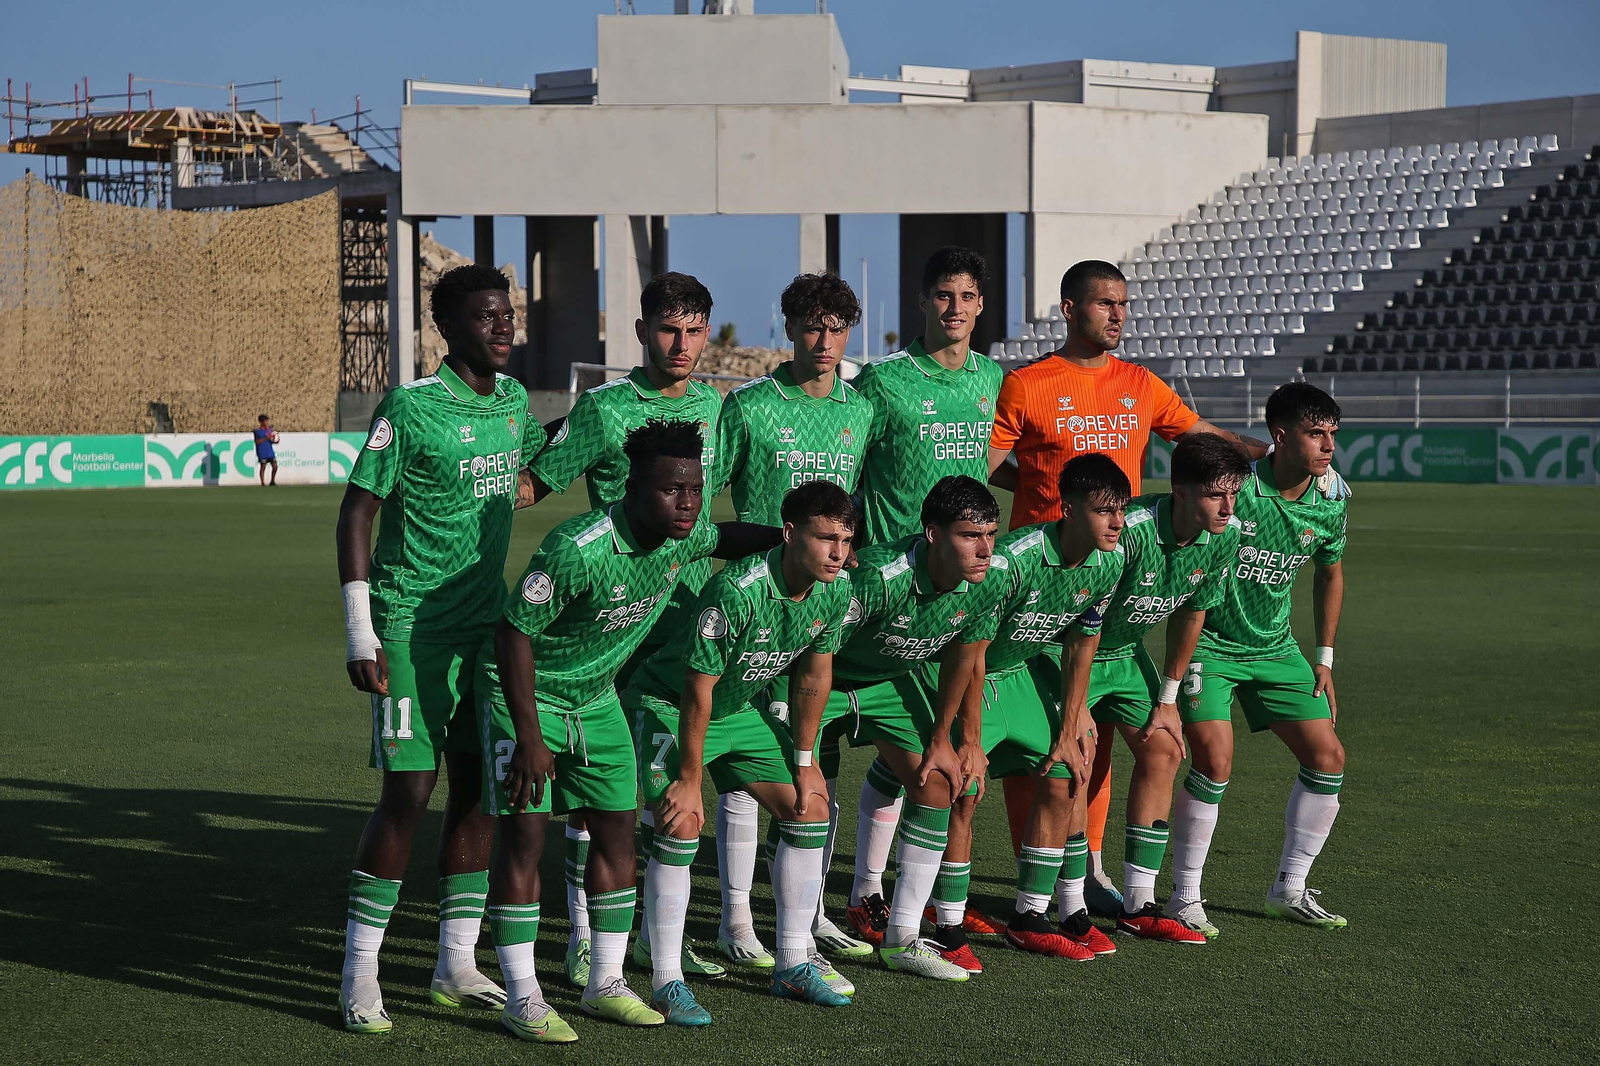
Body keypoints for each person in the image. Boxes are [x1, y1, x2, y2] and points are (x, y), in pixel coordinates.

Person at [479, 419, 782, 1041]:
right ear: (634, 488)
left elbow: (727, 535)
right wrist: (530, 736)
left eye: (695, 489)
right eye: (673, 490)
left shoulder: (683, 535)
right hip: (528, 697)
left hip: (596, 701)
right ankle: (523, 995)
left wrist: (794, 538)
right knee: (525, 839)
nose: (688, 503)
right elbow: (513, 634)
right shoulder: (577, 548)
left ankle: (606, 984)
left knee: (618, 834)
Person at [985, 259, 1271, 916]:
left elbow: (1201, 438)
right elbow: (992, 465)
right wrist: (1043, 493)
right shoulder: (1028, 384)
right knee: (1046, 742)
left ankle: (1087, 868)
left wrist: (1271, 454)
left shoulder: (1140, 384)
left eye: (1123, 303)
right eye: (1104, 303)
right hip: (1043, 584)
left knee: (1101, 737)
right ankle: (1043, 877)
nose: (1117, 315)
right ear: (1068, 309)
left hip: (1117, 573)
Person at [334, 264, 546, 1034]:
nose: (503, 327)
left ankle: (456, 964)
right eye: (487, 316)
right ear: (447, 328)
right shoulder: (411, 406)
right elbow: (356, 514)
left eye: (508, 314)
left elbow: (534, 470)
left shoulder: (516, 402)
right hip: (409, 628)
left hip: (486, 630)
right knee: (410, 792)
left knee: (480, 790)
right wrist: (359, 628)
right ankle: (360, 973)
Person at [522, 271, 727, 988]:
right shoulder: (605, 409)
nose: (682, 344)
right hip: (612, 622)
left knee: (670, 782)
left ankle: (657, 938)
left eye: (694, 330)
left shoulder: (714, 407)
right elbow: (535, 485)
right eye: (668, 329)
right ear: (641, 332)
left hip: (683, 616)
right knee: (595, 796)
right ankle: (583, 939)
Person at [626, 481, 862, 1025]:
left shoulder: (835, 590)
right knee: (681, 819)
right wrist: (690, 778)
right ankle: (665, 979)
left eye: (846, 540)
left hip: (737, 709)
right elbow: (696, 689)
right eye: (825, 538)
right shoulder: (736, 590)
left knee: (810, 808)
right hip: (669, 703)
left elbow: (814, 678)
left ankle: (793, 963)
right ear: (789, 534)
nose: (838, 553)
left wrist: (805, 762)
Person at [710, 272, 876, 967]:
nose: (825, 340)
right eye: (812, 326)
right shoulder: (749, 405)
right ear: (789, 328)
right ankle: (736, 919)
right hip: (755, 604)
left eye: (837, 328)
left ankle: (806, 916)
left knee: (813, 750)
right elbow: (704, 496)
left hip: (820, 604)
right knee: (747, 765)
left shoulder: (860, 410)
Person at [846, 246, 1008, 942]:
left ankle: (898, 897)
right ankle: (867, 897)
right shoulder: (884, 382)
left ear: (981, 305)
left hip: (957, 590)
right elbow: (849, 466)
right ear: (922, 301)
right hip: (893, 589)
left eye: (967, 296)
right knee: (905, 757)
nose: (955, 308)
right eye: (943, 294)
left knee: (931, 759)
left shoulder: (991, 378)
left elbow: (989, 465)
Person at [1167, 382, 1350, 937]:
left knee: (1328, 757)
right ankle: (1184, 896)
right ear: (1280, 436)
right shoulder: (1236, 489)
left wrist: (1324, 658)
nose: (1328, 446)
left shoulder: (1332, 499)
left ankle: (1289, 889)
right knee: (1214, 762)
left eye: (1332, 434)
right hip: (1211, 645)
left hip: (1275, 646)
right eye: (1315, 434)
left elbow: (1330, 573)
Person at [939, 454, 1130, 964]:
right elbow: (971, 648)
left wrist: (1071, 722)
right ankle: (946, 922)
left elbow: (1082, 644)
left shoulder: (1110, 561)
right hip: (967, 673)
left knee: (1066, 772)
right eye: (1104, 511)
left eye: (1121, 510)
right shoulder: (1013, 562)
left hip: (1019, 672)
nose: (1117, 522)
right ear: (1068, 510)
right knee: (962, 787)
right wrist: (971, 739)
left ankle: (1031, 916)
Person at [827, 475, 1007, 980]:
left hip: (889, 683)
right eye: (970, 535)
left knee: (939, 783)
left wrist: (946, 740)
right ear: (932, 534)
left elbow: (964, 658)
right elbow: (816, 642)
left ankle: (902, 936)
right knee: (808, 800)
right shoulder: (878, 577)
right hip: (825, 680)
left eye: (990, 534)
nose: (985, 549)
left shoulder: (988, 579)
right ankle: (796, 925)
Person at [1085, 433, 1249, 945]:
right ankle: (1061, 900)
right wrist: (1074, 705)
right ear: (1179, 492)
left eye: (1233, 494)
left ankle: (1139, 903)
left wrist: (1168, 698)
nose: (1227, 507)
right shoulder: (1130, 531)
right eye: (1215, 495)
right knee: (1075, 759)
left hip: (1125, 656)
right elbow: (1078, 611)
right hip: (1069, 651)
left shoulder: (1225, 533)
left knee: (1165, 750)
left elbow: (1193, 612)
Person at [254, 414, 279, 486]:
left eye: (268, 421)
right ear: (261, 422)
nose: (268, 423)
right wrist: (265, 438)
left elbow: (273, 440)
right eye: (266, 421)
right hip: (262, 452)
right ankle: (262, 482)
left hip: (270, 451)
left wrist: (275, 440)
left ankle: (272, 481)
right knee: (263, 467)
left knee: (275, 466)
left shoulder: (270, 431)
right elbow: (257, 442)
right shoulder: (257, 432)